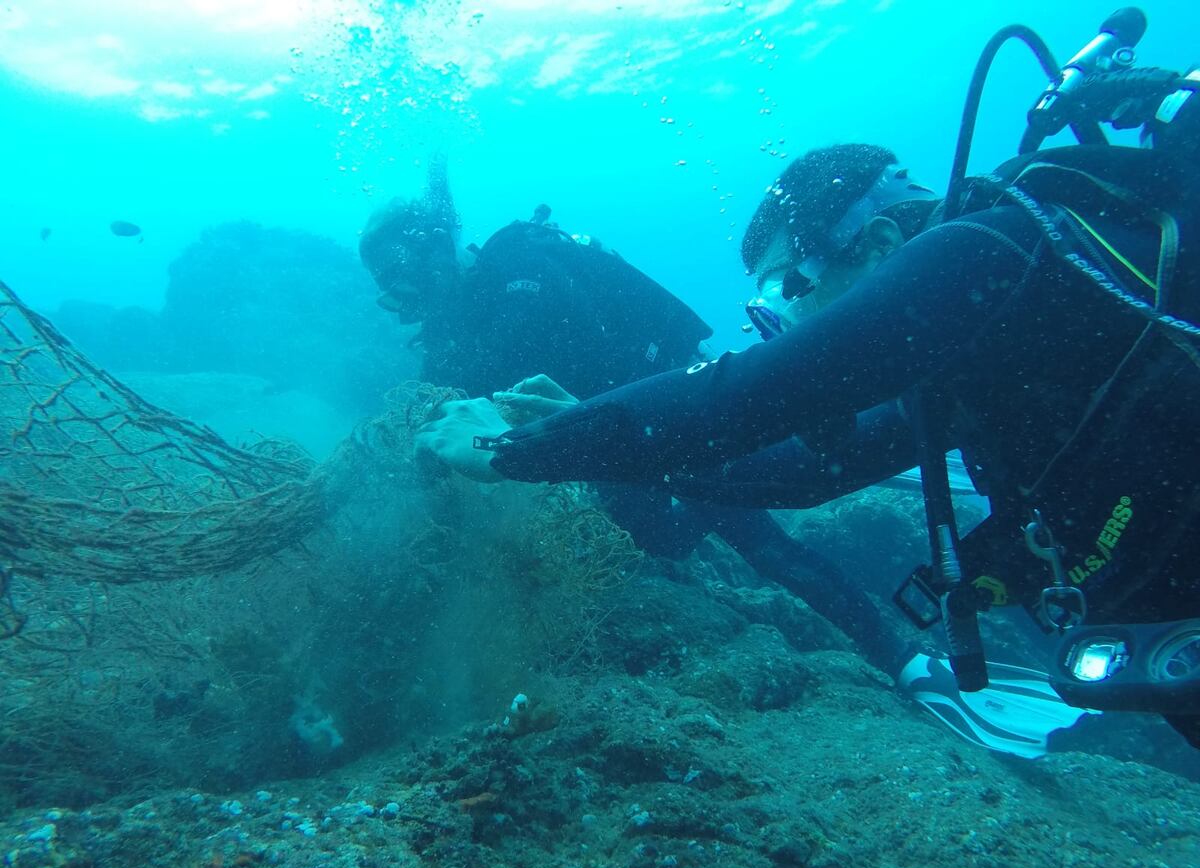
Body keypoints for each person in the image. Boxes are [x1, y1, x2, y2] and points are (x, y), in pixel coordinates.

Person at [415, 134, 1200, 750]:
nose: (782, 315)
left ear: (882, 240)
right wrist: (577, 421)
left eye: (788, 284)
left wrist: (514, 453)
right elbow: (797, 474)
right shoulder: (968, 352)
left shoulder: (979, 256)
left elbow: (744, 397)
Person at [359, 156, 911, 680]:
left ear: (435, 249)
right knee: (663, 540)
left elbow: (599, 353)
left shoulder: (523, 263)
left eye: (401, 274)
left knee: (757, 538)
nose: (400, 297)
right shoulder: (448, 335)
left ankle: (901, 657)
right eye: (385, 289)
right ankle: (722, 487)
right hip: (598, 438)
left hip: (664, 409)